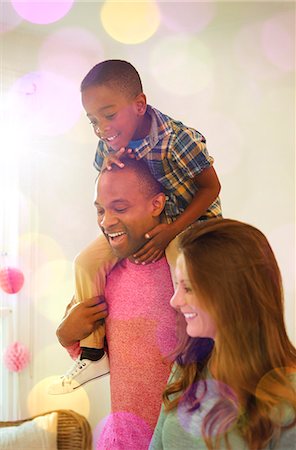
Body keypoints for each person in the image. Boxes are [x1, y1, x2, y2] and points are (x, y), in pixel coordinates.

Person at [50, 59, 222, 394]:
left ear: (139, 105)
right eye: (93, 120)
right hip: (144, 222)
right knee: (85, 262)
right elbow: (108, 192)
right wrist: (109, 169)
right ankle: (93, 351)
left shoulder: (176, 139)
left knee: (178, 263)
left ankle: (196, 350)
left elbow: (210, 188)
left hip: (191, 221)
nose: (101, 128)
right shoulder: (107, 145)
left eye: (109, 115)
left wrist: (172, 230)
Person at [50, 159, 178, 449]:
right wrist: (66, 335)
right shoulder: (105, 276)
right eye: (99, 210)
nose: (106, 221)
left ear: (156, 204)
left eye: (119, 208)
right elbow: (95, 354)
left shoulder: (183, 274)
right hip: (122, 441)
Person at [149, 219, 296, 450]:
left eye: (188, 288)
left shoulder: (289, 395)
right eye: (177, 285)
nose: (174, 300)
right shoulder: (188, 367)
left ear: (231, 294)